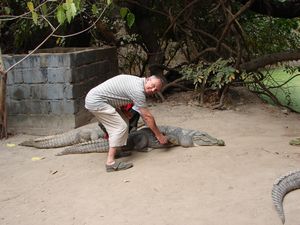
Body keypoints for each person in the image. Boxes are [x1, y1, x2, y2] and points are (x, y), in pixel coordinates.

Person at [85, 74, 168, 172]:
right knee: (120, 127)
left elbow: (115, 94)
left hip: (101, 100)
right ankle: (110, 163)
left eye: (156, 90)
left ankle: (117, 151)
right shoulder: (138, 90)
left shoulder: (137, 82)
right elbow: (147, 116)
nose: (153, 90)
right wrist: (159, 136)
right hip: (97, 101)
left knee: (125, 121)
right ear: (148, 79)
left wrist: (123, 111)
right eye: (153, 85)